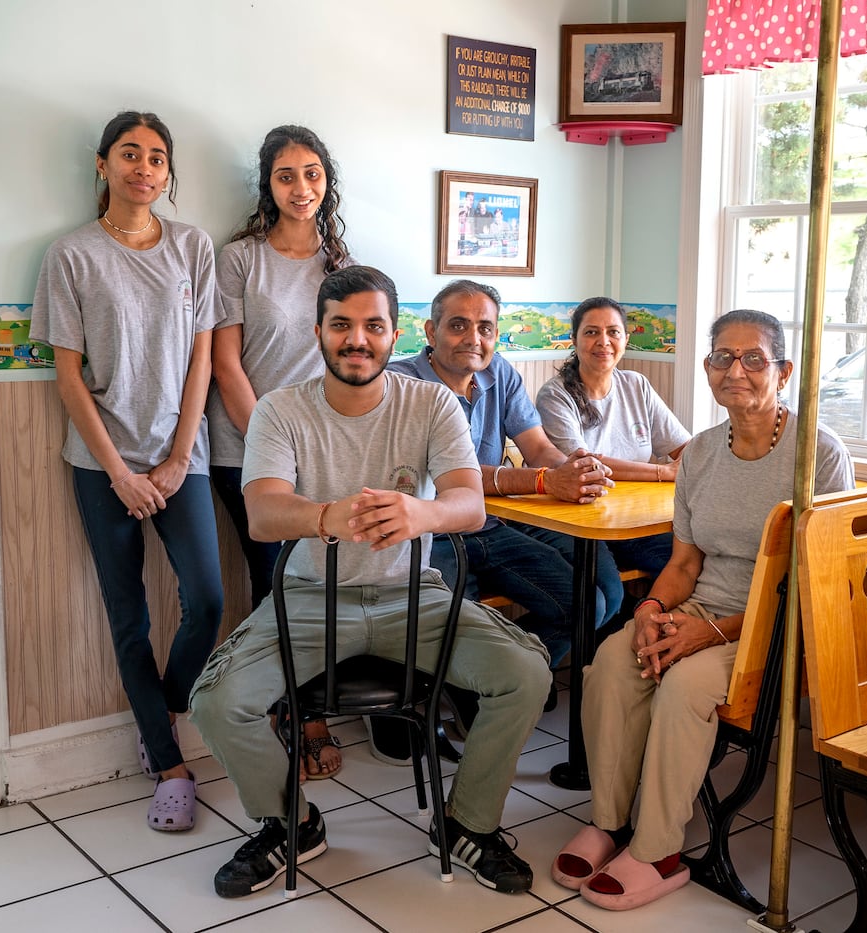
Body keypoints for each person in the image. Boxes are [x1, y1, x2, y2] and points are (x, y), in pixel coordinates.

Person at [189, 266, 551, 897]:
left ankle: (466, 824)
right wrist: (327, 515)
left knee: (526, 672)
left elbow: (471, 505)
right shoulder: (281, 410)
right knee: (217, 703)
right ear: (319, 333)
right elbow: (264, 514)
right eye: (342, 326)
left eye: (372, 326)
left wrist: (422, 514)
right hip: (309, 600)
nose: (357, 339)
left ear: (393, 334)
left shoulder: (432, 403)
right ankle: (291, 824)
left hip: (417, 600)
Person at [551, 309, 854, 910]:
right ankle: (610, 822)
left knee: (685, 685)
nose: (733, 371)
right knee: (614, 661)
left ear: (784, 371)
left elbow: (814, 580)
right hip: (699, 606)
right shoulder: (700, 454)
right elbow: (685, 562)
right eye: (721, 358)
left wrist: (711, 632)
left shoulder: (816, 452)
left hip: (773, 623)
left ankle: (658, 849)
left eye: (752, 360)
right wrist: (653, 609)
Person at [30, 111, 222, 833]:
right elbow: (69, 377)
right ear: (103, 164)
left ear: (168, 174)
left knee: (206, 599)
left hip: (183, 461)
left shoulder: (193, 248)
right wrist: (118, 470)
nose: (145, 167)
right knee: (129, 614)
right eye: (130, 154)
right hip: (100, 464)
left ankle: (159, 714)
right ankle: (171, 767)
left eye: (158, 157)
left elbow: (202, 357)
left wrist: (177, 458)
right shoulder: (71, 255)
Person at [207, 124, 353, 781]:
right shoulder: (239, 258)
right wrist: (273, 446)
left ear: (327, 183)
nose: (301, 188)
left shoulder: (341, 266)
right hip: (244, 450)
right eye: (287, 175)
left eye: (312, 174)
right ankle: (295, 714)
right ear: (268, 183)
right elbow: (225, 363)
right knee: (277, 582)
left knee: (318, 585)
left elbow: (352, 360)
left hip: (321, 452)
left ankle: (303, 704)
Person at [387, 280, 620, 674]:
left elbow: (538, 449)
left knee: (586, 605)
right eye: (458, 325)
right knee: (454, 625)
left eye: (486, 329)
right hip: (428, 533)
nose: (473, 339)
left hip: (489, 525)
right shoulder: (401, 383)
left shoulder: (501, 373)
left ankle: (501, 684)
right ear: (431, 331)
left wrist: (572, 466)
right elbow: (449, 477)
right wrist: (545, 481)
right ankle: (476, 688)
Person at [536, 296, 690, 587]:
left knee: (692, 560)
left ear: (626, 339)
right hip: (584, 521)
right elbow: (585, 466)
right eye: (591, 332)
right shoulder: (555, 396)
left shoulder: (636, 384)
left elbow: (685, 449)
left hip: (637, 517)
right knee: (612, 590)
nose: (603, 341)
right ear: (574, 339)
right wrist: (664, 472)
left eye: (613, 332)